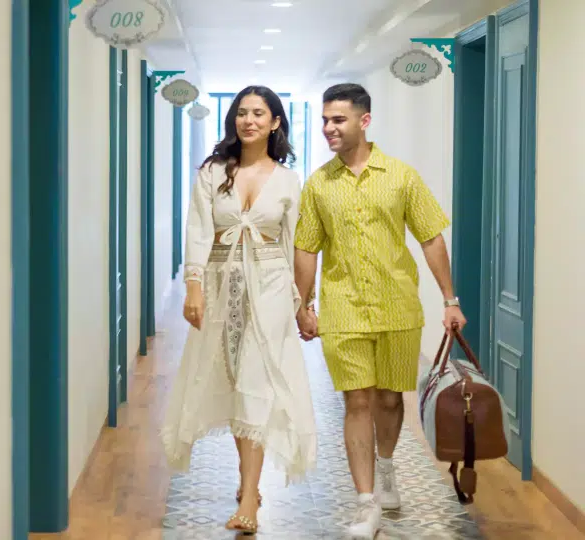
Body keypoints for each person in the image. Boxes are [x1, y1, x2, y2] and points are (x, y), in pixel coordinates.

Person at [293, 83, 467, 539]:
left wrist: (450, 299)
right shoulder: (318, 184)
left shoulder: (402, 177)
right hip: (343, 308)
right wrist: (303, 304)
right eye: (325, 120)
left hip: (397, 307)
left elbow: (431, 237)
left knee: (390, 399)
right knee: (356, 400)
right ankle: (365, 501)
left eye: (338, 119)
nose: (328, 128)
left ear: (364, 121)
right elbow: (306, 247)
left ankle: (386, 468)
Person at [160, 85, 318, 535]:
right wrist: (193, 287)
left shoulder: (288, 180)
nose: (249, 120)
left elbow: (297, 244)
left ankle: (250, 495)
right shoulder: (213, 173)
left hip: (270, 286)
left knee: (257, 381)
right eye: (242, 113)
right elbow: (197, 230)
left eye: (259, 113)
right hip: (220, 284)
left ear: (275, 122)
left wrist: (304, 304)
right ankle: (247, 479)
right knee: (234, 380)